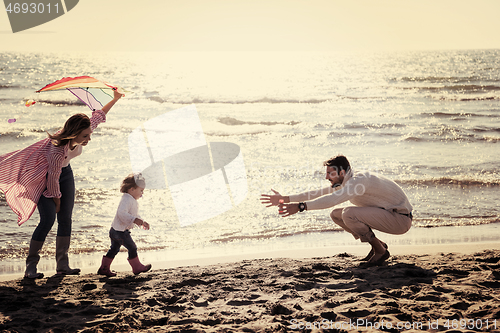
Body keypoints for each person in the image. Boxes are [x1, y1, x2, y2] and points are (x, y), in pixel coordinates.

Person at [0, 89, 123, 278]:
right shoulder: (57, 150)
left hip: (66, 174)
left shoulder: (84, 130)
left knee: (66, 219)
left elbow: (99, 115)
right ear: (74, 134)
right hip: (43, 178)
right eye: (85, 137)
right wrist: (56, 200)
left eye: (89, 135)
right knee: (47, 220)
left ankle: (62, 265)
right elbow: (52, 179)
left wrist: (115, 98)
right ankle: (31, 267)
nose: (88, 139)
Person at [260, 155, 413, 267]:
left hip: (399, 219)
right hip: (391, 216)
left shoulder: (357, 182)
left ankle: (380, 252)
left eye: (330, 173)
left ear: (341, 172)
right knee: (336, 215)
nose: (326, 177)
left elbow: (331, 200)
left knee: (348, 214)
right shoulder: (349, 180)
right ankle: (379, 246)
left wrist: (301, 207)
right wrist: (283, 199)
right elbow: (318, 193)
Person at [97, 173, 151, 277]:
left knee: (114, 249)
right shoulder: (127, 199)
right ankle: (137, 267)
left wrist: (142, 221)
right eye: (141, 190)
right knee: (132, 248)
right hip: (120, 232)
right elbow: (121, 214)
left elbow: (134, 215)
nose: (142, 193)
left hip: (115, 230)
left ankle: (104, 268)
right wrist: (134, 220)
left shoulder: (131, 199)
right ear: (132, 189)